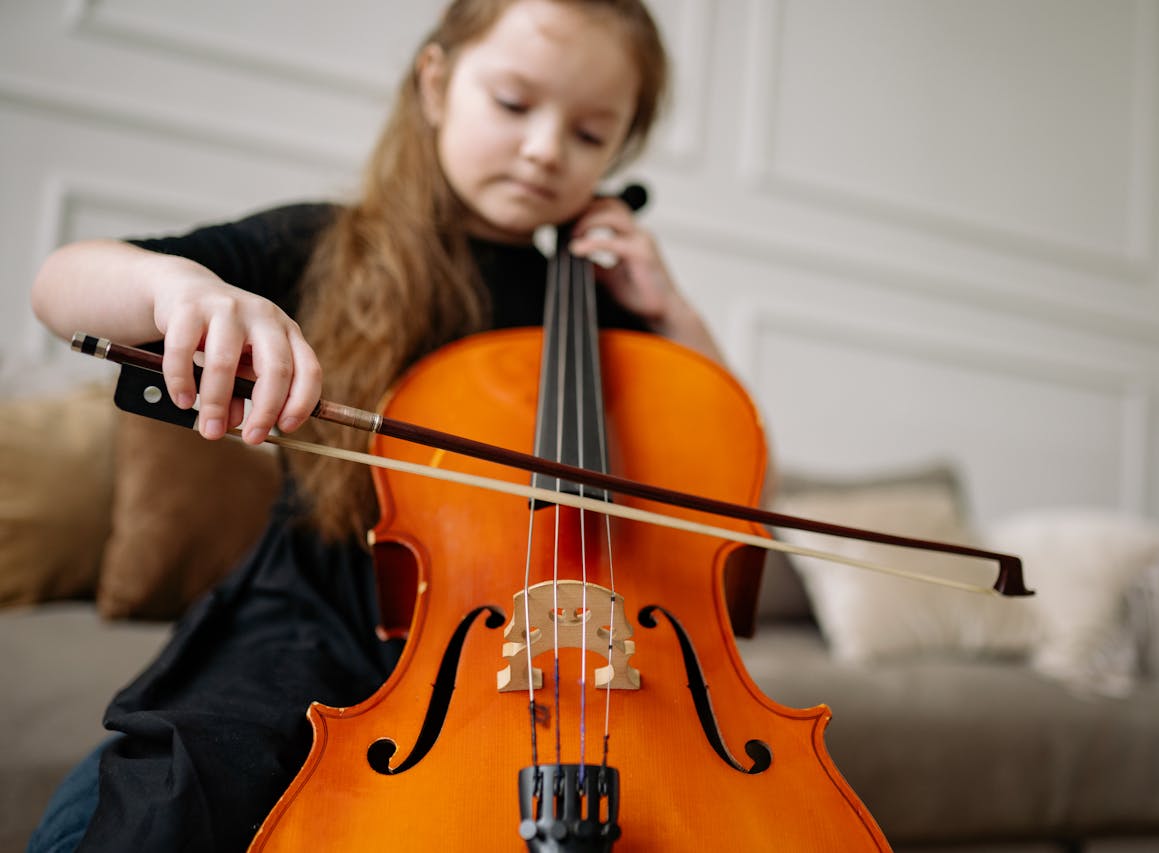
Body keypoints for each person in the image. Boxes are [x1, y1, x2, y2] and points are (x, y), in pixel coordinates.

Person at [27, 1, 722, 850]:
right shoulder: (326, 244)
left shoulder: (606, 319)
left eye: (589, 134)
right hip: (308, 616)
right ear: (435, 84)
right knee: (170, 805)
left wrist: (671, 311)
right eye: (513, 104)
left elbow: (716, 467)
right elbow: (64, 285)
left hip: (543, 653)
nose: (545, 148)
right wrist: (182, 291)